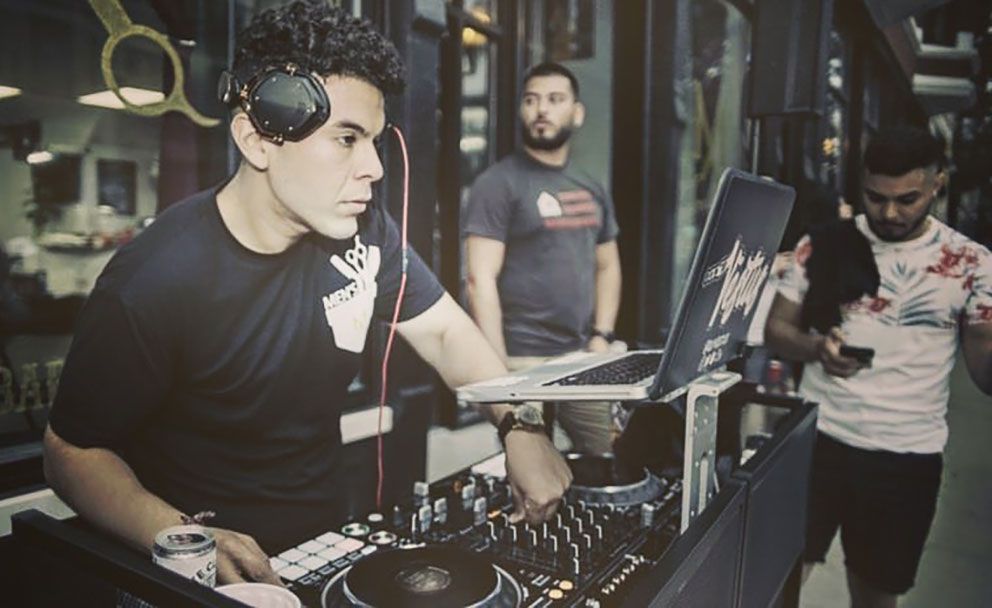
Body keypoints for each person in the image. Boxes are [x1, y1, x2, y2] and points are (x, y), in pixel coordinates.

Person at [42, 2, 571, 587]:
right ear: (257, 140)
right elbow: (70, 453)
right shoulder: (155, 278)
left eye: (374, 141)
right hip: (194, 571)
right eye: (346, 138)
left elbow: (445, 333)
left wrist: (520, 426)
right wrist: (181, 537)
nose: (373, 168)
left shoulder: (366, 232)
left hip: (322, 544)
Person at [765, 126, 992, 608]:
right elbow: (777, 329)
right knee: (774, 584)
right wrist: (817, 348)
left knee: (875, 595)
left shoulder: (972, 264)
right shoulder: (822, 243)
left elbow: (983, 366)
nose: (889, 213)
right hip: (817, 439)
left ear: (937, 184)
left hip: (905, 457)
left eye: (907, 199)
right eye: (876, 197)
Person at [462, 62, 622, 455]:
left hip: (581, 357)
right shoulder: (497, 184)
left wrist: (602, 335)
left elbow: (608, 265)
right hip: (521, 359)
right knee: (532, 472)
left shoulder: (590, 186)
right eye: (531, 100)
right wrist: (498, 370)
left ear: (577, 113)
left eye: (555, 99)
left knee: (608, 460)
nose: (542, 110)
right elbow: (479, 279)